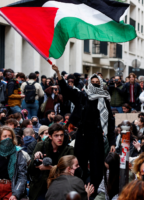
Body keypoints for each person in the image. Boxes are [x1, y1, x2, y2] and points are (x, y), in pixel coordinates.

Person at [53, 65, 116, 195]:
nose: (94, 85)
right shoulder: (82, 96)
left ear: (101, 84)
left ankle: (95, 194)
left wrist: (112, 142)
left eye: (97, 83)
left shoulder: (104, 99)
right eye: (92, 83)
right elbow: (66, 90)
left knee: (97, 169)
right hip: (82, 136)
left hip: (97, 137)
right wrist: (58, 73)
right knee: (78, 166)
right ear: (88, 83)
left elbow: (110, 121)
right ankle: (79, 192)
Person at [28, 123, 74, 200]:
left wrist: (50, 168)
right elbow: (30, 170)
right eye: (56, 135)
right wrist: (35, 159)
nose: (60, 138)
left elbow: (71, 171)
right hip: (41, 186)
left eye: (61, 135)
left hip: (60, 185)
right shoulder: (41, 145)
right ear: (50, 137)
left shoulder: (68, 149)